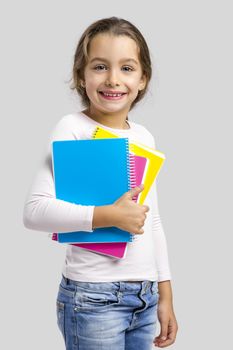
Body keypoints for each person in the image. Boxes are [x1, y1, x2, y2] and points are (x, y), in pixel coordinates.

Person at [23, 16, 178, 350]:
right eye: (99, 66)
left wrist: (164, 293)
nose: (113, 79)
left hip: (144, 298)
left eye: (127, 68)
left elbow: (152, 220)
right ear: (81, 75)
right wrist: (107, 216)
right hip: (93, 299)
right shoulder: (72, 129)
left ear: (142, 79)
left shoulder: (143, 136)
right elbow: (34, 212)